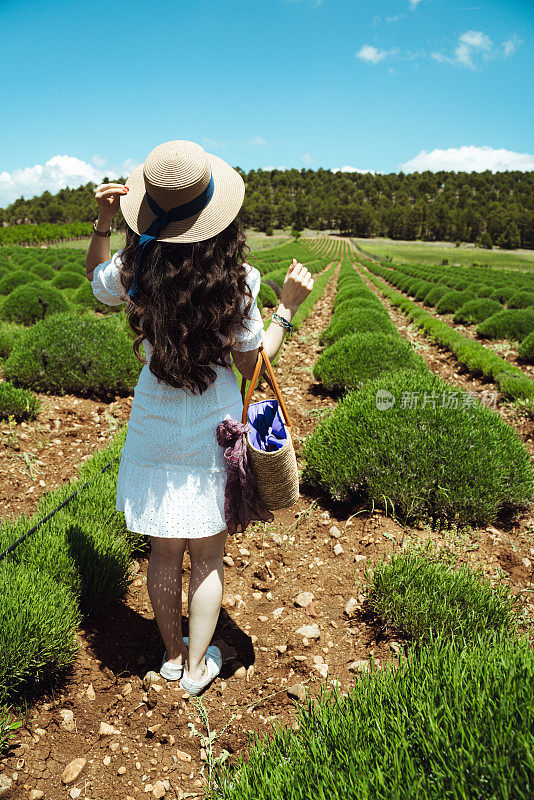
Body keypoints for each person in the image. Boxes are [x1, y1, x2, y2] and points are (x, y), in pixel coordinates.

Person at [85, 140, 313, 696]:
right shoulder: (238, 282)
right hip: (213, 426)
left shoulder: (134, 266)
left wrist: (103, 222)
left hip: (154, 423)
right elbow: (256, 364)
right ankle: (195, 670)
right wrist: (285, 307)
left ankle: (169, 655)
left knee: (164, 548)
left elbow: (95, 282)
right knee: (208, 551)